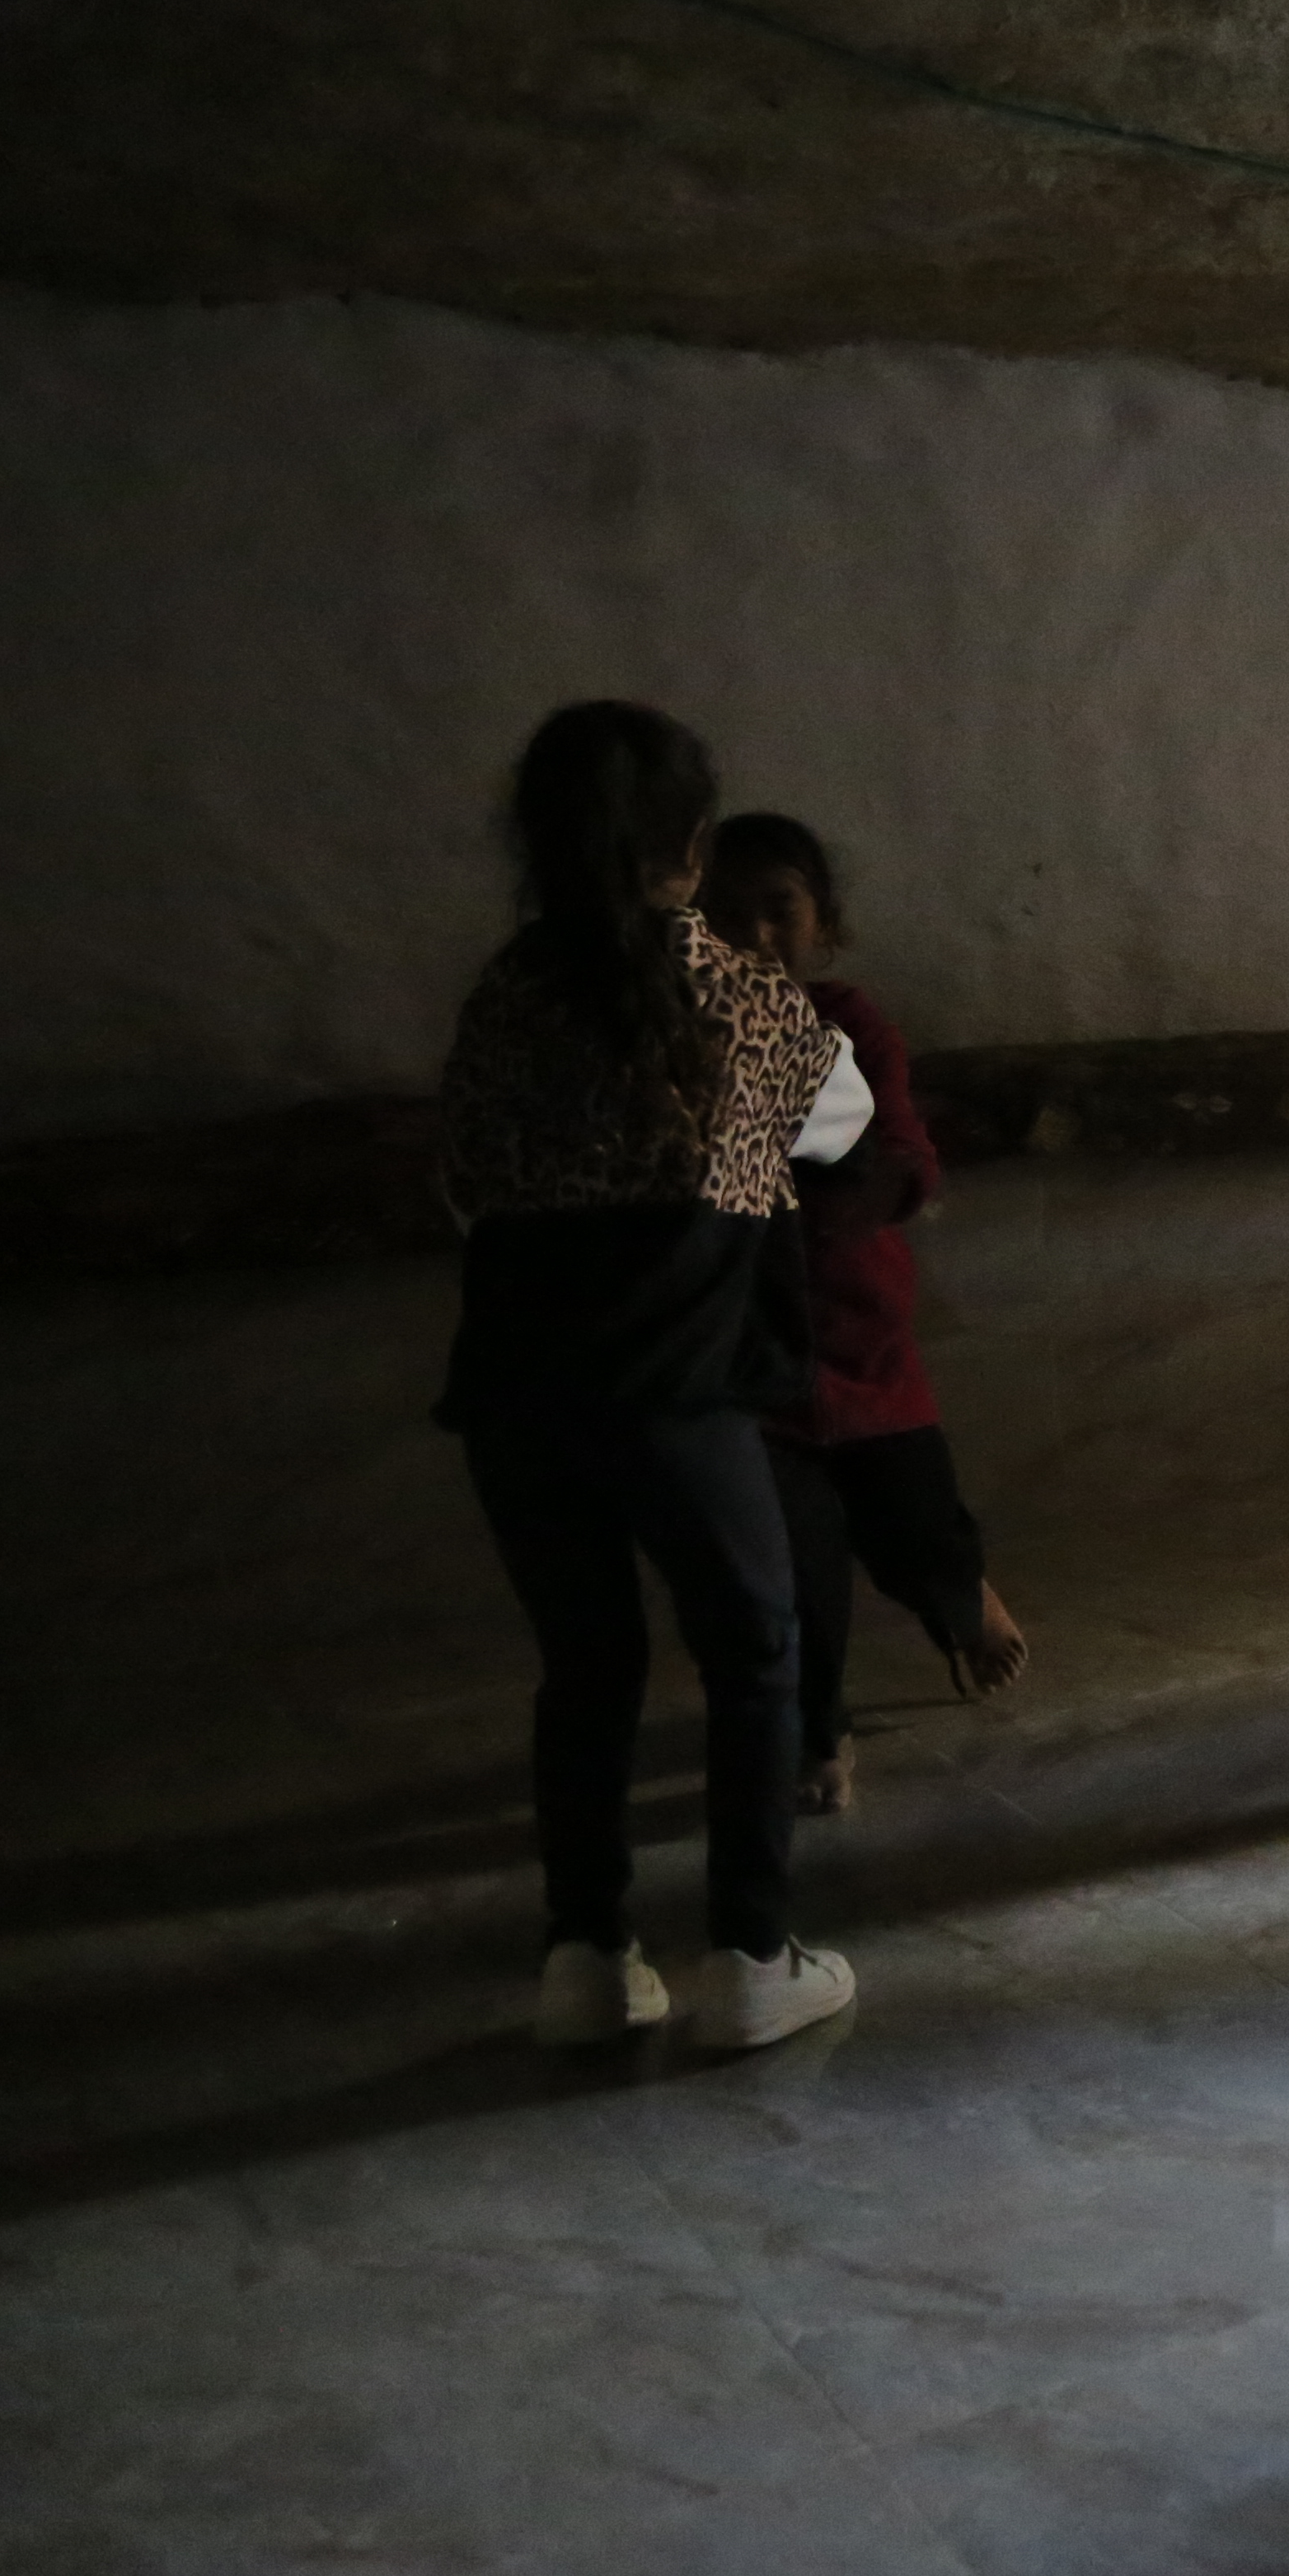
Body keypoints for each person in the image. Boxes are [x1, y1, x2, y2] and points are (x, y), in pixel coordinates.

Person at [435, 702, 873, 2051]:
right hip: (675, 1397)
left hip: (515, 1397)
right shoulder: (743, 994)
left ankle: (586, 1957)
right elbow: (842, 1128)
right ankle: (748, 1955)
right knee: (753, 1652)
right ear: (692, 843)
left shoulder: (507, 993)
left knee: (586, 1667)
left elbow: (464, 1190)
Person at [700, 812, 1031, 1817]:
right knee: (794, 1567)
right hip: (748, 1349)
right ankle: (818, 1728)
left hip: (859, 1334)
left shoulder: (846, 1025)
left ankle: (960, 1598)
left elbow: (899, 1155)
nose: (756, 935)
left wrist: (852, 1188)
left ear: (825, 924)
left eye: (781, 910)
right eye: (728, 915)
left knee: (914, 1517)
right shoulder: (687, 1032)